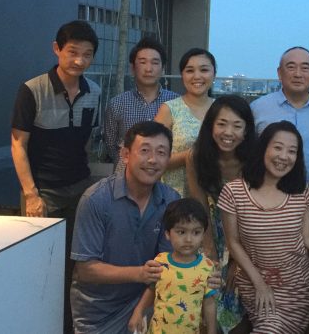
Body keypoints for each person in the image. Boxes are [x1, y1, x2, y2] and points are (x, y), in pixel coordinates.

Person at [10, 20, 101, 333]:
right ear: (56, 49)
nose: (79, 60)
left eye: (87, 54)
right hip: (43, 191)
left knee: (77, 263)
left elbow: (87, 142)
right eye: (72, 52)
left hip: (80, 188)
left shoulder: (94, 91)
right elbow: (18, 145)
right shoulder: (32, 89)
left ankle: (68, 324)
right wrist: (31, 194)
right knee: (41, 264)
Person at [217, 121, 309, 333]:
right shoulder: (234, 192)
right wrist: (260, 284)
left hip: (297, 285)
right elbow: (233, 242)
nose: (284, 156)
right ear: (263, 148)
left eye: (292, 151)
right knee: (269, 327)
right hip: (256, 283)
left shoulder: (300, 190)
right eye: (277, 147)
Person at [70, 121, 181, 333]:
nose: (152, 159)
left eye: (161, 152)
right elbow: (86, 270)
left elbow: (167, 263)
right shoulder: (96, 199)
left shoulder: (171, 200)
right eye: (145, 150)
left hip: (147, 301)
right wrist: (139, 273)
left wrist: (140, 309)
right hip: (98, 312)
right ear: (125, 155)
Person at [186, 95, 255, 332]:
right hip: (211, 232)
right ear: (211, 126)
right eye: (222, 124)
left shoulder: (254, 160)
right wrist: (211, 254)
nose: (228, 132)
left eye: (237, 126)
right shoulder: (197, 156)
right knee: (207, 296)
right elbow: (200, 208)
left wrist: (237, 260)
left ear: (246, 131)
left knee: (238, 299)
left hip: (248, 237)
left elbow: (255, 214)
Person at [128, 198, 217, 334]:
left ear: (203, 234)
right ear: (168, 234)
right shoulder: (160, 261)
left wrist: (212, 331)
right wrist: (138, 311)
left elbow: (209, 302)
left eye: (196, 232)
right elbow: (152, 289)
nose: (188, 239)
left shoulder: (207, 267)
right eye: (181, 232)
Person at [250, 46, 309, 183]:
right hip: (265, 190)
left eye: (305, 68)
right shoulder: (258, 108)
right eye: (291, 67)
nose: (298, 74)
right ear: (279, 73)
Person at [104, 37, 179, 168]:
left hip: (165, 174)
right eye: (143, 62)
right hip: (126, 175)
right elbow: (111, 146)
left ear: (163, 69)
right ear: (133, 68)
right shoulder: (117, 104)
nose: (148, 69)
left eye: (155, 63)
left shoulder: (176, 102)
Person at [155, 48, 216, 195]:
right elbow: (154, 156)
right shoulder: (169, 109)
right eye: (190, 70)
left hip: (214, 194)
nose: (197, 76)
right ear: (182, 75)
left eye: (204, 70)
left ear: (214, 74)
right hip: (175, 195)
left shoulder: (221, 110)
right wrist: (191, 155)